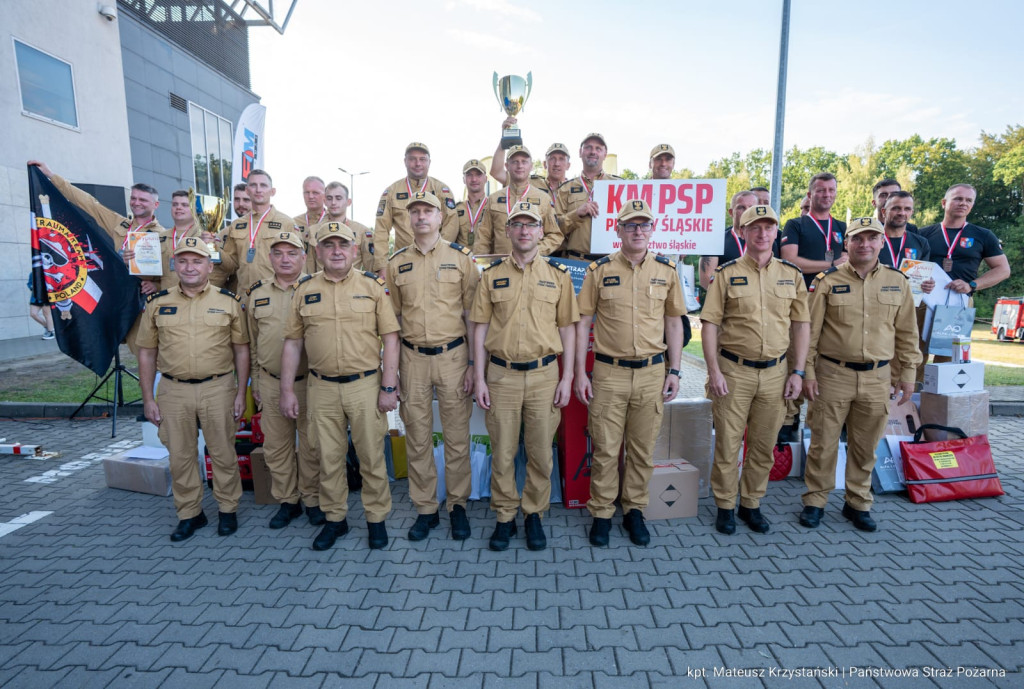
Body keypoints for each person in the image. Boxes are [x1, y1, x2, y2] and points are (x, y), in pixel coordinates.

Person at [280, 222, 400, 551]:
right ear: (316, 251)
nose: (336, 250)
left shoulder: (373, 287)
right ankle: (336, 520)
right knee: (327, 457)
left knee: (371, 456)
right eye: (328, 245)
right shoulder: (304, 290)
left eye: (343, 245)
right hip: (321, 388)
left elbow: (390, 338)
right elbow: (292, 344)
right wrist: (287, 390)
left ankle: (376, 519)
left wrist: (389, 385)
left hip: (365, 385)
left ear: (354, 250)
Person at [799, 217, 922, 532]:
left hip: (877, 377)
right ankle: (815, 500)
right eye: (857, 238)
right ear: (847, 243)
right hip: (832, 374)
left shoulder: (898, 282)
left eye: (871, 238)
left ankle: (858, 503)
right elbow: (809, 333)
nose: (864, 244)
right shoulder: (826, 281)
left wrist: (908, 374)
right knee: (823, 442)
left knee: (865, 445)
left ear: (882, 242)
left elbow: (907, 333)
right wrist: (807, 373)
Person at [575, 199, 685, 547]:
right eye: (630, 225)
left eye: (644, 225)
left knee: (641, 449)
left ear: (652, 230)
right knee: (606, 449)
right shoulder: (600, 270)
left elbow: (674, 323)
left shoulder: (667, 271)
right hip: (609, 373)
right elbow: (582, 323)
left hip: (653, 372)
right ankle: (602, 512)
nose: (638, 231)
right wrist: (580, 372)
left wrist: (677, 371)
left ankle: (634, 509)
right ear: (618, 230)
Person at [471, 202, 578, 552]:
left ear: (540, 232)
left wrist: (567, 378)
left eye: (530, 225)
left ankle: (534, 513)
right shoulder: (491, 276)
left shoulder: (558, 275)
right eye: (517, 224)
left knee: (540, 453)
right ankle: (504, 516)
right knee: (502, 452)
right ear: (508, 231)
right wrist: (480, 376)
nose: (524, 231)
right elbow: (480, 328)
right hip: (501, 376)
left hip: (545, 376)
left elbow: (568, 330)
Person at [700, 205, 809, 535]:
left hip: (776, 373)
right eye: (754, 227)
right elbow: (709, 325)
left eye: (768, 227)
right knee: (729, 444)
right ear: (743, 232)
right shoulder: (727, 273)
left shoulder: (791, 275)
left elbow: (801, 325)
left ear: (776, 232)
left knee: (763, 445)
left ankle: (751, 503)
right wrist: (714, 371)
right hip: (734, 371)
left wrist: (798, 371)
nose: (762, 233)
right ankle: (724, 505)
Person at [136, 237, 250, 541]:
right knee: (180, 456)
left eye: (197, 261)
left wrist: (241, 393)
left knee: (223, 452)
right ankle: (190, 514)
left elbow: (241, 350)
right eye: (183, 261)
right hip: (174, 390)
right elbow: (146, 352)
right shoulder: (158, 304)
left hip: (219, 387)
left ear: (209, 265)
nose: (189, 267)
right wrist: (148, 398)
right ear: (174, 264)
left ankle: (228, 510)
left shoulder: (228, 302)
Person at [386, 192, 479, 542]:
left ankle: (457, 506)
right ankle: (426, 509)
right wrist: (391, 372)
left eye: (428, 211)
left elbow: (473, 316)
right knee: (418, 437)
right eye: (416, 212)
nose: (421, 216)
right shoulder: (397, 264)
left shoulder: (461, 259)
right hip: (412, 359)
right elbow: (393, 319)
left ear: (441, 218)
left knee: (456, 436)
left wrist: (473, 364)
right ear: (409, 219)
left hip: (454, 357)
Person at [246, 231, 323, 529]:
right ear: (270, 258)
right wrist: (256, 382)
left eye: (292, 253)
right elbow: (252, 344)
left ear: (304, 257)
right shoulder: (256, 293)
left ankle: (312, 499)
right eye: (278, 253)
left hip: (310, 382)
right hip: (269, 380)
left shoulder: (318, 287)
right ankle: (287, 501)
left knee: (311, 445)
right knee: (276, 447)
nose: (285, 259)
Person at [778, 172, 848, 441]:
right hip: (803, 301)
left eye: (831, 190)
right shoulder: (795, 224)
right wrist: (831, 266)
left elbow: (850, 260)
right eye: (820, 190)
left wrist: (840, 264)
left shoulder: (842, 227)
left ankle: (825, 429)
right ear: (810, 194)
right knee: (797, 359)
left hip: (836, 303)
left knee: (827, 360)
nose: (826, 194)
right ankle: (788, 425)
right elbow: (791, 261)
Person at [27, 160, 166, 295]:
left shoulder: (163, 235)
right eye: (133, 198)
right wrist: (51, 175)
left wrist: (157, 285)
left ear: (156, 205)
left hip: (144, 298)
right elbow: (89, 203)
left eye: (143, 200)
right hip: (119, 291)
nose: (136, 203)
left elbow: (175, 274)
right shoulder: (120, 223)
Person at [373, 143, 459, 277]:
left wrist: (441, 253)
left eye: (422, 159)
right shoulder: (391, 192)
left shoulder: (442, 190)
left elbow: (452, 224)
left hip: (437, 262)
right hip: (403, 264)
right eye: (412, 159)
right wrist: (381, 265)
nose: (417, 163)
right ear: (405, 162)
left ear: (429, 162)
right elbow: (381, 230)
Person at [920, 184, 1011, 304]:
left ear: (972, 206)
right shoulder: (922, 234)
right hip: (924, 299)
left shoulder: (984, 235)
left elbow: (1003, 270)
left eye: (969, 200)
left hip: (961, 299)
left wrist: (972, 285)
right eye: (958, 198)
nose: (963, 203)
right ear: (943, 203)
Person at [221, 169, 300, 294]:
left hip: (276, 297)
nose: (258, 190)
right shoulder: (237, 225)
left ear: (272, 191)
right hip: (244, 297)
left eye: (263, 185)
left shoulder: (287, 223)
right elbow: (230, 265)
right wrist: (213, 248)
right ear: (247, 191)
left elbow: (299, 263)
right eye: (253, 185)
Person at [474, 145, 563, 257]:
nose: (520, 165)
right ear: (507, 166)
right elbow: (483, 236)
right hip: (501, 266)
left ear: (531, 166)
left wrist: (535, 252)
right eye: (515, 162)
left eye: (524, 162)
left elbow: (555, 235)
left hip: (532, 267)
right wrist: (481, 264)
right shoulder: (494, 198)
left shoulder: (544, 199)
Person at [556, 133, 622, 259]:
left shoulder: (619, 185)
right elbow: (555, 228)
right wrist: (576, 214)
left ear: (605, 154)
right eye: (588, 147)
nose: (593, 152)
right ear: (580, 152)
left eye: (598, 148)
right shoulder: (565, 188)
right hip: (576, 262)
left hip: (611, 261)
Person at [307, 181, 374, 273]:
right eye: (329, 198)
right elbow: (309, 268)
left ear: (348, 202)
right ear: (325, 201)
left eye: (338, 198)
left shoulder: (362, 231)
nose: (333, 202)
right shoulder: (314, 230)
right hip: (321, 285)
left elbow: (371, 268)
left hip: (352, 285)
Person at [699, 190, 759, 290]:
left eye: (751, 208)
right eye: (741, 207)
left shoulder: (766, 240)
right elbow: (706, 279)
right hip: (727, 300)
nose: (747, 211)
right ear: (731, 212)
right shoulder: (715, 240)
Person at [163, 191, 203, 290]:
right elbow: (154, 274)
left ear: (194, 209)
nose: (178, 208)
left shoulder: (205, 236)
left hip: (197, 298)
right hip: (167, 299)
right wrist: (155, 285)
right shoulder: (160, 237)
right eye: (175, 204)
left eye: (185, 205)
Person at [879, 192, 930, 267]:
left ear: (911, 212)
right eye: (896, 208)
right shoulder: (871, 241)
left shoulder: (921, 243)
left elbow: (923, 275)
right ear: (884, 212)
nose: (902, 213)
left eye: (907, 209)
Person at [455, 160, 488, 248]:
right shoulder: (456, 209)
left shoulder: (493, 207)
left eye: (478, 174)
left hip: (487, 259)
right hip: (462, 260)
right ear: (463, 180)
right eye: (469, 175)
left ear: (486, 179)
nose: (474, 179)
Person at [292, 176, 327, 251]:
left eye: (315, 193)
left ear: (325, 195)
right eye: (307, 192)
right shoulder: (294, 222)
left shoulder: (332, 221)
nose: (310, 196)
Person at [28, 273, 54, 339]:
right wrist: (33, 287)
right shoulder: (32, 273)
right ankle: (47, 326)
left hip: (46, 296)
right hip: (35, 297)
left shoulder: (48, 271)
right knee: (33, 314)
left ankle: (50, 332)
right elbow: (29, 283)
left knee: (46, 314)